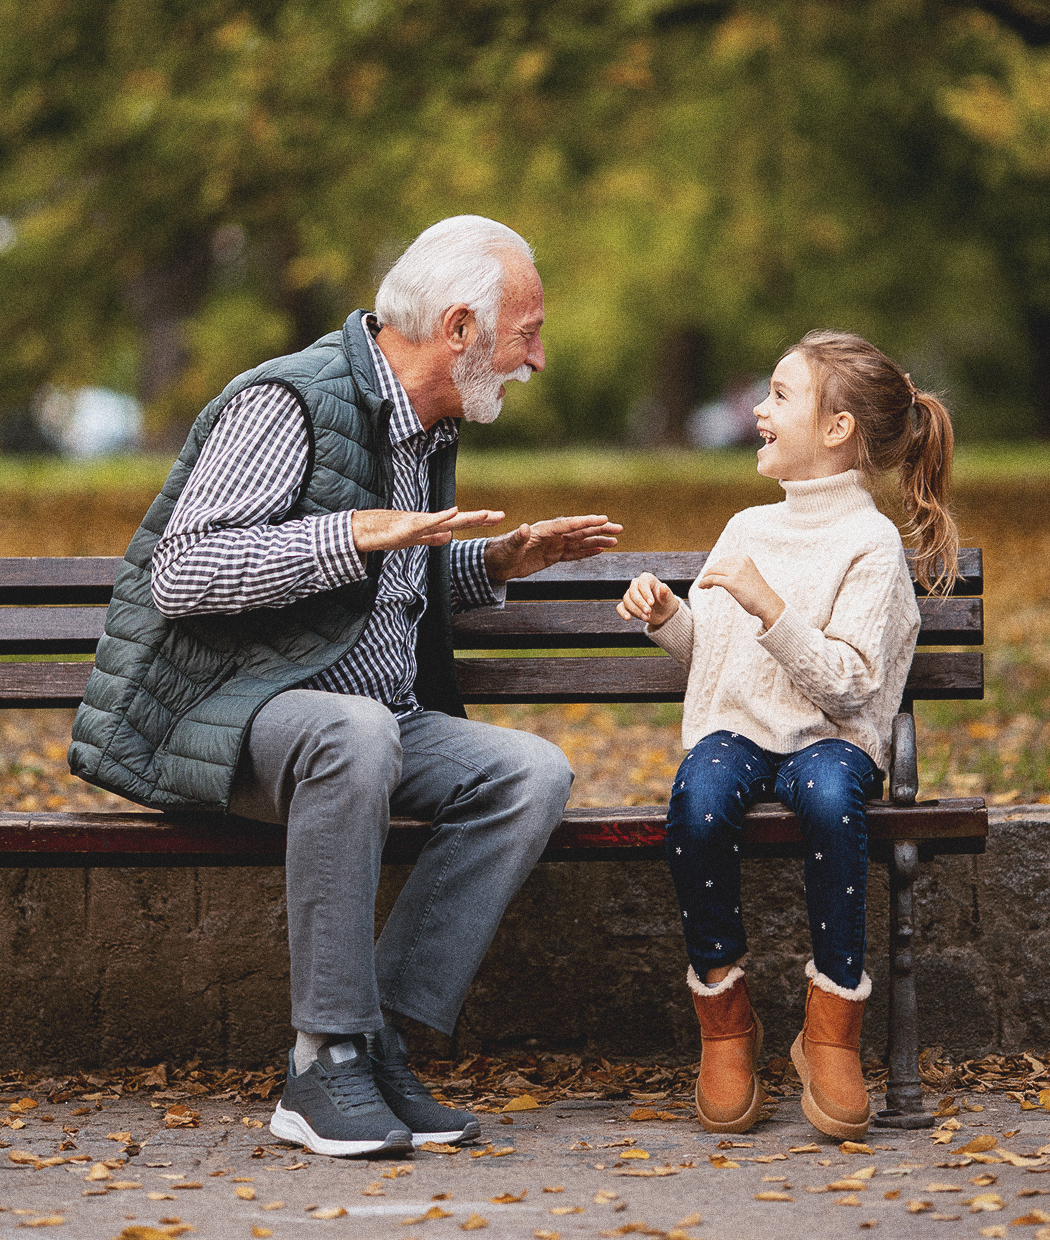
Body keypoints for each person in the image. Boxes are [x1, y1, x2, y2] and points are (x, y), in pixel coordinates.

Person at [70, 215, 622, 1157]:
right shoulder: (287, 402)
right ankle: (321, 1064)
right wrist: (355, 532)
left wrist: (494, 562)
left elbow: (373, 591)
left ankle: (377, 1043)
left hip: (368, 720)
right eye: (526, 333)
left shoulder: (423, 423)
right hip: (231, 718)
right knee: (355, 731)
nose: (537, 358)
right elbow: (185, 574)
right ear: (459, 329)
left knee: (529, 772)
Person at [617, 330, 958, 1141]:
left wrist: (773, 607)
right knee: (698, 800)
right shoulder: (745, 528)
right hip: (741, 729)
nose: (759, 411)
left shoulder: (870, 545)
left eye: (777, 396)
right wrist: (670, 621)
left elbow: (849, 682)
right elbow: (721, 661)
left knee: (835, 798)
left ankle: (830, 1028)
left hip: (830, 737)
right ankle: (726, 1021)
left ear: (836, 430)